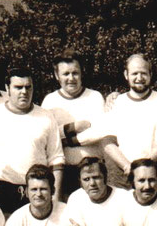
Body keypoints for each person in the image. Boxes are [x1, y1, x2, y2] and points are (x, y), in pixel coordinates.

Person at [0, 67, 65, 215]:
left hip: (38, 189)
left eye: (28, 87)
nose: (24, 92)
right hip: (3, 190)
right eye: (18, 87)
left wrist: (56, 195)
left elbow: (56, 159)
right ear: (7, 89)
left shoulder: (46, 116)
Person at [41, 50, 108, 200]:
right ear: (57, 75)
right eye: (66, 74)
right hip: (63, 173)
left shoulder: (94, 97)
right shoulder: (50, 101)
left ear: (81, 73)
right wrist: (73, 127)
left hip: (93, 171)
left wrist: (65, 141)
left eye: (75, 73)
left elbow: (98, 132)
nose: (71, 78)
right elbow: (47, 136)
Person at [103, 54, 157, 189]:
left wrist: (144, 167)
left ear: (150, 74)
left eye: (143, 73)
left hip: (154, 171)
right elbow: (108, 143)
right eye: (135, 73)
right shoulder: (117, 103)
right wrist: (127, 166)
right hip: (123, 173)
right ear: (126, 74)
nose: (139, 78)